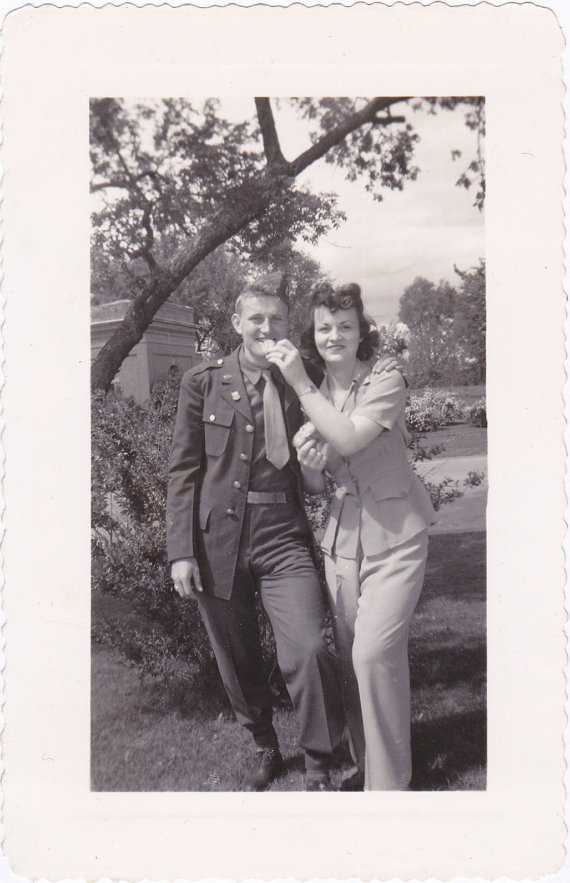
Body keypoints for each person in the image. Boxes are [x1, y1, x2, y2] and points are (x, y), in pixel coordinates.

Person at [166, 274, 345, 792]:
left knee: (308, 649)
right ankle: (265, 744)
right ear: (236, 324)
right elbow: (183, 469)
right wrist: (181, 551)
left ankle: (317, 761)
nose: (268, 328)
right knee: (236, 655)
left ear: (290, 325)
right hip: (215, 541)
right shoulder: (203, 382)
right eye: (257, 319)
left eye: (278, 319)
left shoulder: (304, 376)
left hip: (282, 536)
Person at [265, 282, 436, 791]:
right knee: (353, 665)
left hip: (398, 535)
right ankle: (370, 769)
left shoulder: (385, 378)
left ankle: (388, 791)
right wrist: (311, 466)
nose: (334, 335)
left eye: (345, 325)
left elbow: (347, 437)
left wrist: (298, 382)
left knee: (372, 654)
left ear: (362, 332)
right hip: (343, 543)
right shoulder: (315, 393)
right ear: (312, 335)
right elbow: (320, 481)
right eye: (324, 327)